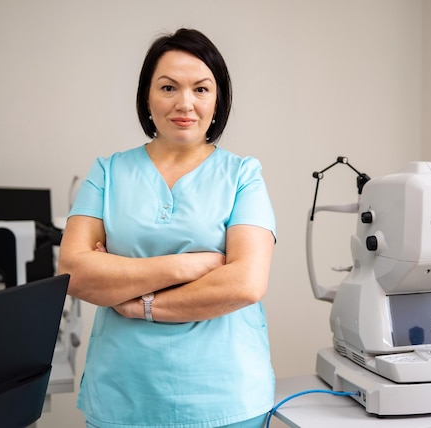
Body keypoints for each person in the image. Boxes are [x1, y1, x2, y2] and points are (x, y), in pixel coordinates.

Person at [58, 28, 276, 428]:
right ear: (147, 96)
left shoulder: (243, 175)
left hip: (225, 399)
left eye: (201, 89)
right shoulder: (107, 172)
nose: (185, 103)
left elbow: (245, 283)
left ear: (218, 99)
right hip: (122, 395)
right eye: (168, 87)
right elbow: (73, 272)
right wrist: (188, 267)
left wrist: (142, 303)